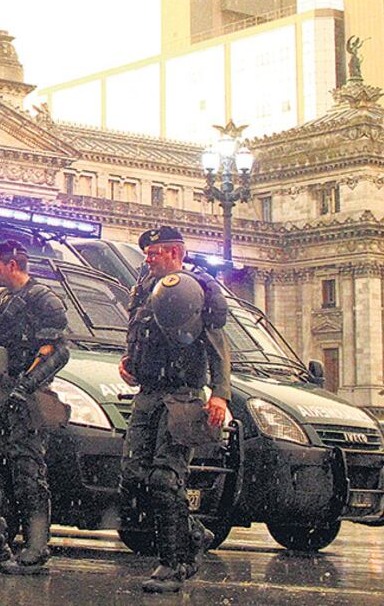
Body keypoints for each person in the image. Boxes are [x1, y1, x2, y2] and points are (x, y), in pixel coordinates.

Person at [118, 226, 231, 594]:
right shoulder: (144, 289)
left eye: (155, 254)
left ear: (175, 253)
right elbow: (137, 335)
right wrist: (128, 362)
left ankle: (173, 564)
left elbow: (217, 345)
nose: (149, 260)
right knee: (134, 474)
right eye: (147, 254)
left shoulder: (193, 289)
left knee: (166, 479)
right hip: (147, 394)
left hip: (180, 397)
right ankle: (193, 534)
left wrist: (220, 394)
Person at [0, 242, 68, 575]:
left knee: (27, 471)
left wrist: (28, 384)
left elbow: (57, 351)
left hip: (28, 392)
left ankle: (36, 547)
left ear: (13, 265)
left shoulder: (44, 300)